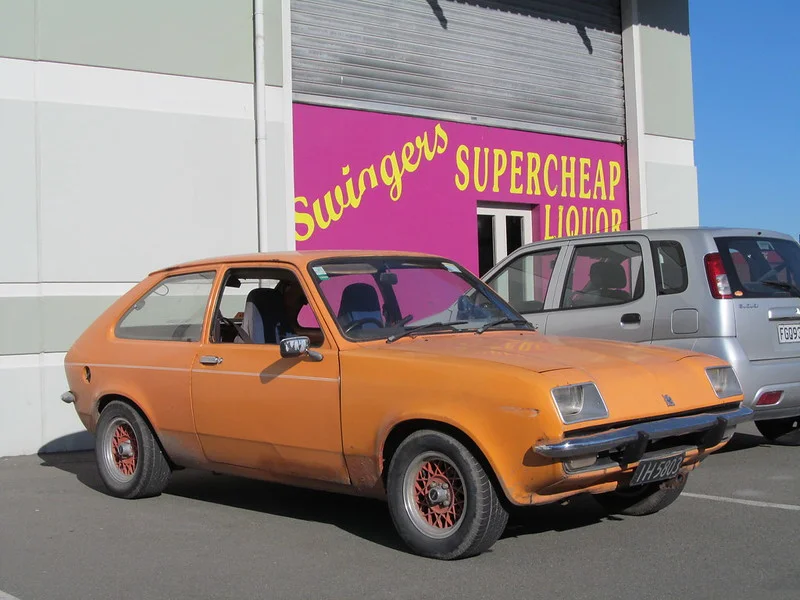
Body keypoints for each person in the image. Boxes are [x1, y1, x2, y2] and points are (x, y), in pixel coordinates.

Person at [280, 279, 324, 346]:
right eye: (302, 298)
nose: (306, 302)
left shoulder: (291, 316)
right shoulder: (278, 319)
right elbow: (292, 333)